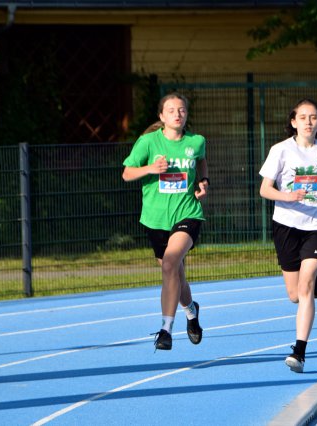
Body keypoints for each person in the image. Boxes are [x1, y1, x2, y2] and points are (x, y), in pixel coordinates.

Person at [259, 98, 317, 373]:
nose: (308, 122)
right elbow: (265, 189)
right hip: (286, 225)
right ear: (293, 122)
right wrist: (287, 195)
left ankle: (299, 351)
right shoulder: (280, 151)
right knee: (294, 295)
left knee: (306, 287)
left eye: (313, 117)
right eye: (303, 117)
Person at [122, 92, 207, 351]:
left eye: (181, 110)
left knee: (170, 262)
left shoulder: (197, 141)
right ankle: (191, 312)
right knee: (174, 273)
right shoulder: (148, 143)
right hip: (156, 218)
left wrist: (204, 182)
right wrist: (150, 169)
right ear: (162, 116)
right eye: (171, 110)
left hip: (187, 213)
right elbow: (127, 174)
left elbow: (201, 162)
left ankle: (165, 330)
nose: (177, 114)